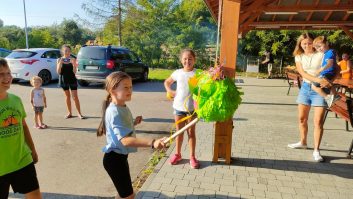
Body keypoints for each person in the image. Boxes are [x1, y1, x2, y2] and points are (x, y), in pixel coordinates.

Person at [97, 71, 166, 199]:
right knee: (129, 195)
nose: (130, 90)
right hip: (115, 160)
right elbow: (125, 141)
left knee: (124, 194)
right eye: (125, 87)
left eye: (131, 87)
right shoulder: (115, 111)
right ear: (112, 90)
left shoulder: (121, 107)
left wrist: (133, 123)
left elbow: (120, 130)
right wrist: (152, 142)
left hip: (119, 158)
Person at [287, 32, 333, 162]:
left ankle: (316, 150)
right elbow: (302, 73)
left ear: (314, 42)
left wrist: (328, 81)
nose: (307, 45)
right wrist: (317, 80)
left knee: (318, 122)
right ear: (300, 44)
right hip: (306, 88)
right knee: (302, 119)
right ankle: (303, 142)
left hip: (320, 90)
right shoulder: (299, 56)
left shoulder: (322, 53)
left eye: (309, 42)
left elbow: (334, 66)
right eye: (304, 43)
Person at [0, 58, 42, 199]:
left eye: (8, 73)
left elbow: (23, 126)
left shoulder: (15, 100)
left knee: (35, 196)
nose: (7, 78)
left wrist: (32, 149)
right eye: (1, 74)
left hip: (22, 160)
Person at [164, 49, 200, 169]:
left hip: (192, 109)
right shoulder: (178, 72)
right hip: (178, 108)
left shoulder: (198, 74)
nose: (187, 61)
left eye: (190, 59)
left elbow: (207, 86)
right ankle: (177, 154)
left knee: (191, 133)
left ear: (194, 60)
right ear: (181, 60)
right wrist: (169, 91)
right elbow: (167, 82)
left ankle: (192, 157)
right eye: (185, 58)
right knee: (179, 133)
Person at [56, 44, 85, 119]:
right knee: (67, 97)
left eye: (68, 51)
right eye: (65, 50)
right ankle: (69, 113)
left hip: (72, 79)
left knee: (75, 97)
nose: (67, 52)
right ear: (63, 51)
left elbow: (75, 72)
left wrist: (74, 64)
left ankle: (79, 113)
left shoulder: (73, 59)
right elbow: (58, 72)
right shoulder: (59, 59)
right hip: (63, 80)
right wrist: (60, 63)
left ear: (70, 51)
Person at [310, 36, 340, 107]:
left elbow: (330, 63)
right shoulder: (326, 53)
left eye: (320, 46)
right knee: (323, 85)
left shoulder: (330, 52)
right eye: (317, 48)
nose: (319, 49)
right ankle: (334, 95)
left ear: (326, 43)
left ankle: (329, 97)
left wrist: (320, 70)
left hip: (328, 73)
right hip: (327, 73)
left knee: (314, 86)